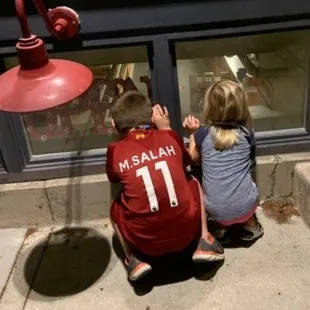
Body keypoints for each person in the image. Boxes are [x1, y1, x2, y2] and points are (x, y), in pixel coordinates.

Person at [106, 91, 224, 282]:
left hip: (144, 242)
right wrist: (166, 129)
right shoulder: (169, 137)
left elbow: (113, 178)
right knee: (192, 180)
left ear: (114, 124)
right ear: (153, 116)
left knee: (115, 206)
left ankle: (133, 259)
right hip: (186, 233)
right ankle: (204, 239)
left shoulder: (114, 150)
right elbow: (189, 161)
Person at [183, 80, 264, 244]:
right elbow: (250, 163)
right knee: (249, 189)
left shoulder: (203, 134)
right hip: (247, 208)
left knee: (215, 196)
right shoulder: (247, 133)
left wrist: (192, 133)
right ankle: (252, 226)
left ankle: (220, 231)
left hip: (216, 211)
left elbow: (193, 159)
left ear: (210, 107)